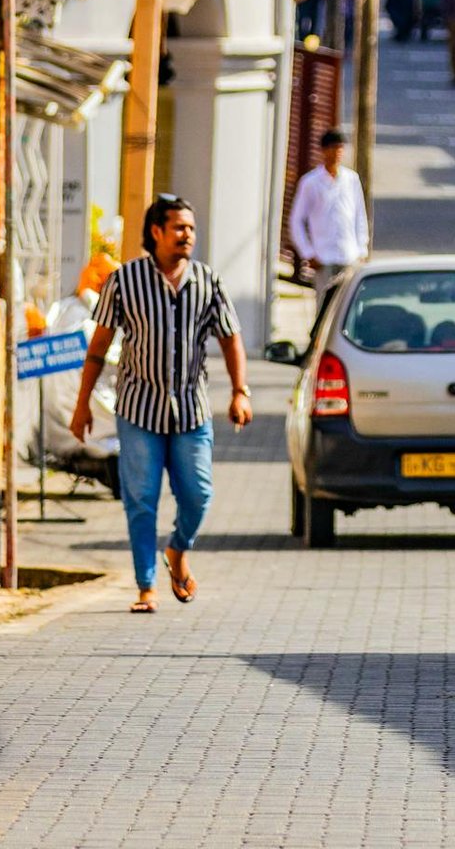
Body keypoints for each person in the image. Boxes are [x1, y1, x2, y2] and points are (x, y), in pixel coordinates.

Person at [70, 193, 249, 615]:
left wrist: (241, 390)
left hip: (191, 410)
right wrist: (81, 406)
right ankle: (145, 585)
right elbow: (99, 347)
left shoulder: (208, 281)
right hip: (139, 410)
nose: (188, 235)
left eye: (191, 228)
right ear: (157, 232)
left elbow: (230, 337)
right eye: (180, 228)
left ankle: (178, 549)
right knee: (141, 498)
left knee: (199, 494)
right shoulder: (124, 282)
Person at [287, 126, 370, 316]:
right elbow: (296, 220)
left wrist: (361, 249)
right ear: (324, 150)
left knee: (350, 307)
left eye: (340, 148)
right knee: (325, 307)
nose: (337, 153)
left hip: (348, 254)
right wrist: (308, 252)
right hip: (323, 256)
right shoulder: (311, 182)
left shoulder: (351, 179)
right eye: (333, 148)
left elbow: (359, 216)